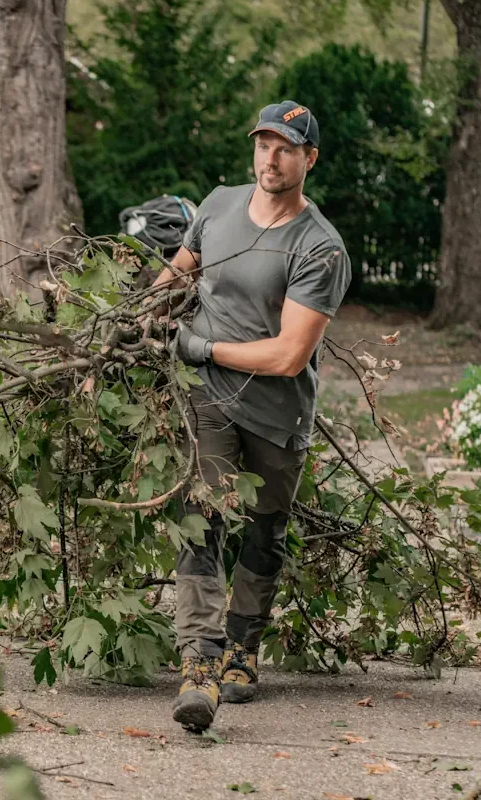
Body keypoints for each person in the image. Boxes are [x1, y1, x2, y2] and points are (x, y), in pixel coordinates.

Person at [146, 101, 352, 731]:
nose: (271, 157)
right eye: (264, 143)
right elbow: (177, 277)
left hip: (275, 411)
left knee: (264, 531)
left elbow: (291, 355)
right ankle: (199, 663)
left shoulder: (320, 248)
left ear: (308, 159)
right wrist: (143, 319)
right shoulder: (217, 206)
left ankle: (244, 647)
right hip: (207, 396)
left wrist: (202, 347)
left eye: (286, 147)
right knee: (199, 515)